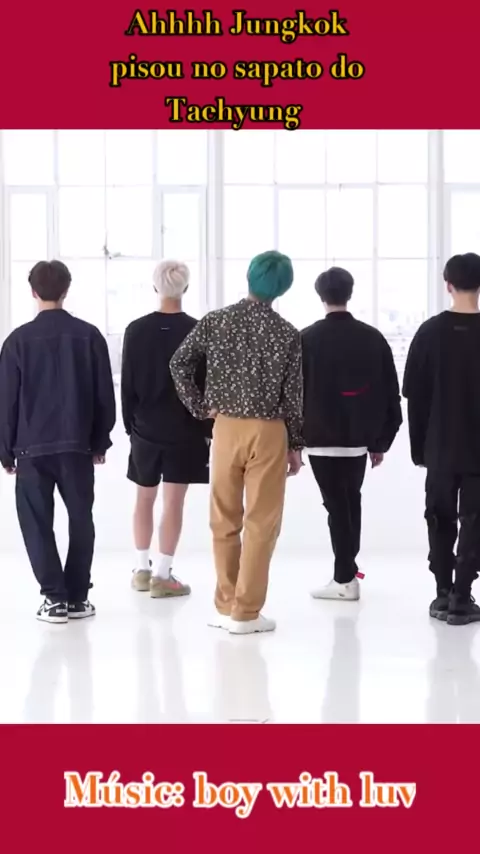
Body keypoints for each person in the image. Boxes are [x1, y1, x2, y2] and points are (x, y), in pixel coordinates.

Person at [170, 250, 303, 635]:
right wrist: (295, 445)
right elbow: (293, 395)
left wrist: (201, 408)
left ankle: (226, 605)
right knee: (261, 523)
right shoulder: (287, 333)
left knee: (223, 518)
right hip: (270, 431)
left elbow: (179, 363)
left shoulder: (216, 321)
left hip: (226, 428)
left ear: (249, 277)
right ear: (283, 288)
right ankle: (247, 612)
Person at [0, 260, 116, 623]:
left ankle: (53, 598)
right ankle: (78, 597)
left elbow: (6, 400)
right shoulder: (89, 336)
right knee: (81, 519)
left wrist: (5, 450)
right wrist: (100, 441)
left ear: (33, 291)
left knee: (36, 522)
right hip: (77, 446)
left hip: (30, 447)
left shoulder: (17, 341)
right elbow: (104, 395)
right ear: (66, 290)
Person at [302, 267, 402, 601]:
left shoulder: (305, 339)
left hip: (319, 439)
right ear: (350, 293)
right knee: (349, 503)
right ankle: (346, 572)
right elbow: (389, 393)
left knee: (337, 507)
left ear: (320, 296)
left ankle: (345, 578)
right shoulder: (372, 338)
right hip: (359, 441)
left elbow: (292, 395)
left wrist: (292, 441)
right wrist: (380, 441)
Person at [121, 261, 211, 598]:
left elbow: (127, 384)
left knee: (143, 498)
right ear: (185, 288)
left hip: (145, 427)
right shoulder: (198, 330)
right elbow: (205, 385)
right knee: (174, 502)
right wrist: (207, 429)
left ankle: (141, 569)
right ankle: (163, 574)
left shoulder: (136, 330)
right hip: (185, 429)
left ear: (155, 287)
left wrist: (130, 425)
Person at [403, 252, 480, 626]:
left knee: (439, 519)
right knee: (475, 521)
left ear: (448, 285)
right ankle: (463, 598)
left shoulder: (429, 332)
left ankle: (442, 593)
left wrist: (419, 448)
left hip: (439, 446)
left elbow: (413, 396)